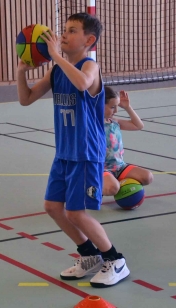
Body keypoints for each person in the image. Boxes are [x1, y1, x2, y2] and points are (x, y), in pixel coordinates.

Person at [17, 12, 129, 288]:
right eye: (64, 29)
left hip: (86, 152)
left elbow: (82, 83)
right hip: (64, 152)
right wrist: (21, 72)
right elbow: (26, 99)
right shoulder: (56, 71)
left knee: (76, 212)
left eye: (72, 30)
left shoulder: (91, 67)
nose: (63, 34)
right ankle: (89, 255)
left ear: (88, 40)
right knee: (54, 207)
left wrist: (55, 56)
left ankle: (115, 260)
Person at [103, 86, 154, 196]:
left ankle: (112, 181)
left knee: (147, 177)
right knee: (113, 188)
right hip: (101, 169)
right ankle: (89, 186)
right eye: (112, 107)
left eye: (117, 106)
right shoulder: (93, 124)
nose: (116, 110)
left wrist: (127, 107)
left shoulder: (114, 122)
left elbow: (138, 125)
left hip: (119, 166)